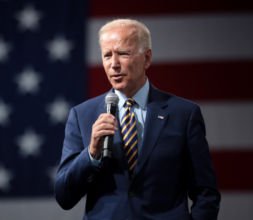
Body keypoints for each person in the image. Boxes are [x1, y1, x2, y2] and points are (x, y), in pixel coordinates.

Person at [55, 19, 221, 220]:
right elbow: (64, 197)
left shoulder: (184, 113)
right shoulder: (82, 115)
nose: (114, 64)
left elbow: (206, 193)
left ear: (147, 58)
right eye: (107, 55)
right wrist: (91, 154)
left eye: (123, 53)